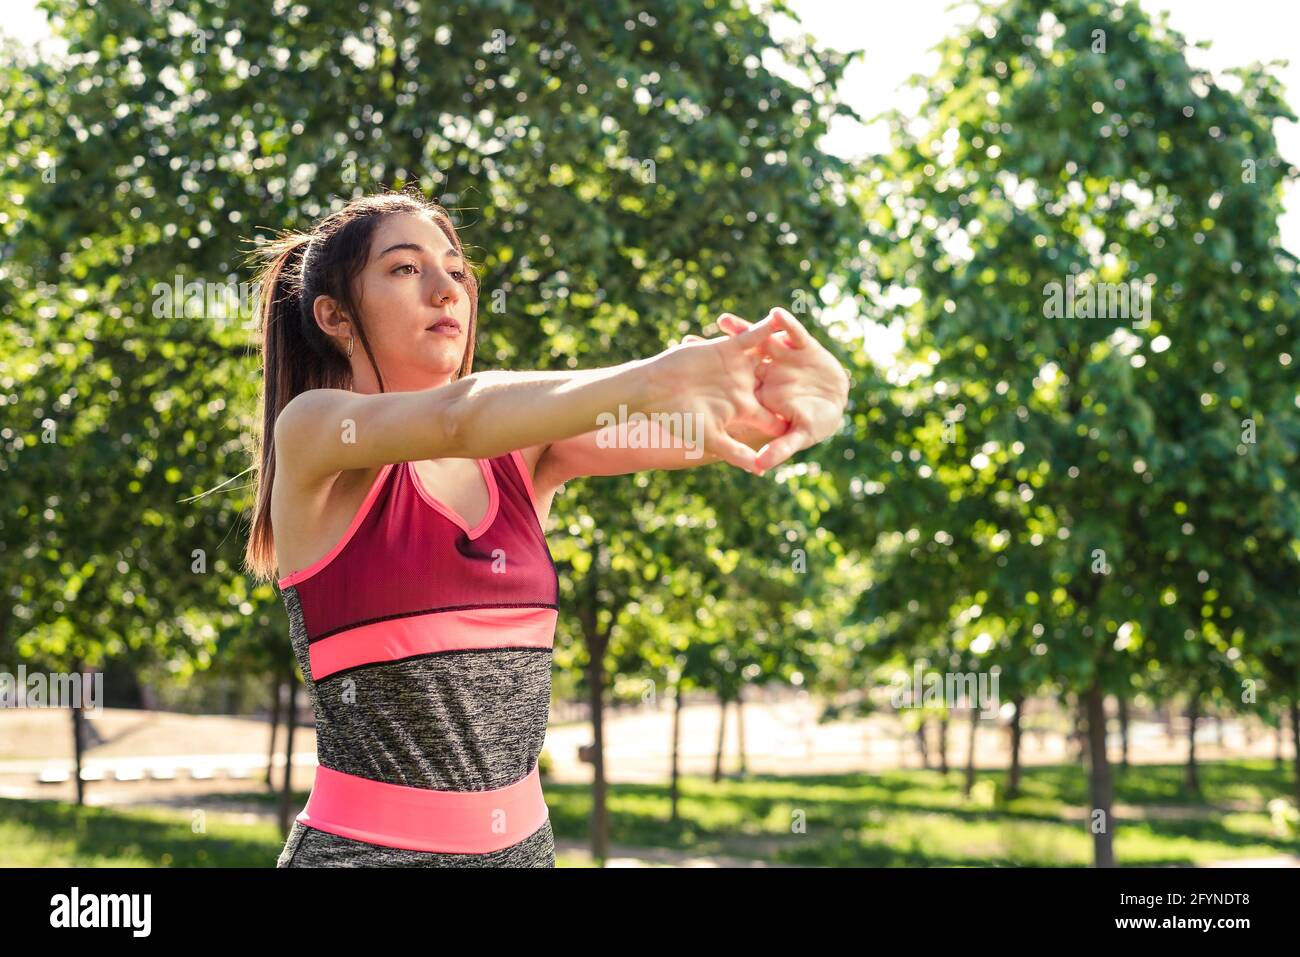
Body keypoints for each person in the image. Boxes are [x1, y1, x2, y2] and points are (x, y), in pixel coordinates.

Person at [242, 189, 850, 866]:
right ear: (334, 314)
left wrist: (798, 396)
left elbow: (710, 427)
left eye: (457, 270)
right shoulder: (314, 432)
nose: (447, 290)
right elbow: (459, 417)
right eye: (406, 269)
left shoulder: (526, 459)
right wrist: (654, 377)